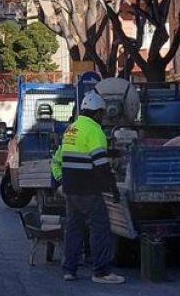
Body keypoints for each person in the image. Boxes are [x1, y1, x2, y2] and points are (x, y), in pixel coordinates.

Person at [50, 91, 125, 285]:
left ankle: (69, 269)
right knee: (100, 228)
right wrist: (113, 188)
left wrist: (110, 152)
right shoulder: (95, 131)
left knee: (74, 229)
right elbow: (100, 165)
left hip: (70, 189)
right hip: (88, 190)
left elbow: (72, 155)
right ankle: (101, 272)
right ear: (97, 112)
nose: (103, 117)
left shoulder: (72, 129)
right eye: (102, 113)